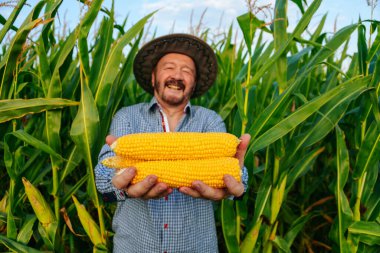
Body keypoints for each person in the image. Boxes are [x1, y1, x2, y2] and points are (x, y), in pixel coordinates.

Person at [95, 33, 250, 253]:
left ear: (193, 84)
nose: (177, 75)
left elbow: (233, 173)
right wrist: (123, 189)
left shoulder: (210, 120)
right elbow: (103, 179)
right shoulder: (127, 117)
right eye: (169, 67)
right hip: (135, 246)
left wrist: (237, 183)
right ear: (153, 78)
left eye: (187, 71)